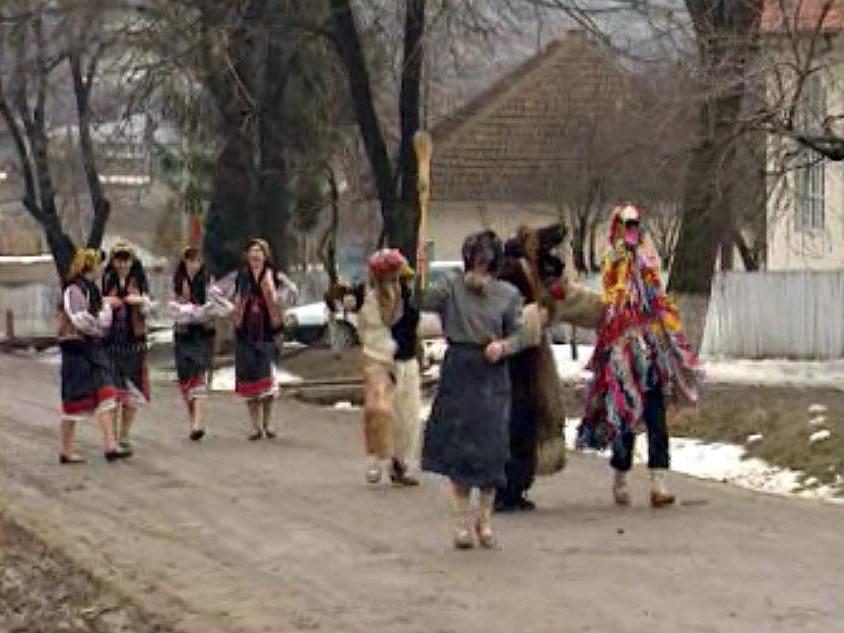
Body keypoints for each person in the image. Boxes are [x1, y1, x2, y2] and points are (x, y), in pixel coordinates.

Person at [421, 231, 542, 549]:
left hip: (492, 376)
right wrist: (417, 273)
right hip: (459, 370)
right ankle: (461, 523)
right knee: (460, 451)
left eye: (487, 264)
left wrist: (503, 347)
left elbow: (522, 335)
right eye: (476, 262)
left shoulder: (508, 295)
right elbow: (423, 299)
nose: (481, 269)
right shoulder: (451, 286)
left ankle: (484, 520)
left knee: (491, 451)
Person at [578, 203, 700, 508]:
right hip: (622, 349)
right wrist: (624, 256)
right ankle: (620, 473)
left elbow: (658, 297)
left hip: (652, 348)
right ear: (617, 227)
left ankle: (659, 482)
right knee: (625, 414)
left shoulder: (648, 260)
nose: (632, 231)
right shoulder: (613, 259)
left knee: (656, 417)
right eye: (627, 225)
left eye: (635, 225)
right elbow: (612, 296)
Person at [494, 224, 604, 512]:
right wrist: (536, 318)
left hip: (526, 359)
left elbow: (572, 301)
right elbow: (506, 318)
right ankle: (505, 488)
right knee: (516, 421)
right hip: (509, 363)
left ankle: (516, 486)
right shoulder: (512, 275)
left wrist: (613, 312)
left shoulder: (533, 274)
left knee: (528, 418)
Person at [58, 248, 132, 463]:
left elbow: (101, 319)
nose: (101, 268)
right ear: (89, 266)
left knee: (107, 394)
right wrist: (99, 325)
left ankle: (110, 446)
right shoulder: (74, 290)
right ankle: (66, 450)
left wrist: (102, 318)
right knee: (73, 402)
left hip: (93, 348)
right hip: (75, 349)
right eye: (98, 264)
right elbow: (80, 319)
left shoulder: (93, 290)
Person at [357, 249, 422, 487]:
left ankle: (399, 462)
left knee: (407, 416)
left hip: (407, 360)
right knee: (379, 411)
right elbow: (372, 333)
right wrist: (387, 358)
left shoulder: (407, 296)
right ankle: (375, 459)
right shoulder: (371, 299)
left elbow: (414, 327)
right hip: (381, 362)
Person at [170, 247, 232, 441]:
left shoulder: (208, 282)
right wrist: (187, 311)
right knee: (185, 380)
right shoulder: (176, 283)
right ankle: (193, 419)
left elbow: (220, 304)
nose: (194, 264)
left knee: (200, 376)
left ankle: (198, 424)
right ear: (184, 262)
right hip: (183, 334)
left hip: (203, 335)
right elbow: (172, 307)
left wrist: (209, 309)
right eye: (190, 260)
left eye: (197, 260)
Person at [101, 240, 153, 452]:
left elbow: (150, 308)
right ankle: (112, 436)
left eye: (126, 260)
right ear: (112, 262)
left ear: (132, 261)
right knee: (112, 391)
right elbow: (97, 306)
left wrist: (140, 302)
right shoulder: (106, 280)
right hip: (111, 343)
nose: (122, 264)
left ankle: (124, 434)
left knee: (132, 392)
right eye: (118, 260)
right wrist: (107, 303)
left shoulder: (139, 280)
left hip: (134, 343)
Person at [233, 238, 283, 440]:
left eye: (259, 251)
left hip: (267, 332)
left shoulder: (274, 275)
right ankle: (255, 427)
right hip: (245, 333)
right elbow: (230, 296)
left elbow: (287, 294)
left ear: (265, 254)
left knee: (268, 384)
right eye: (252, 250)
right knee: (250, 381)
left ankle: (267, 423)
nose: (255, 254)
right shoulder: (241, 277)